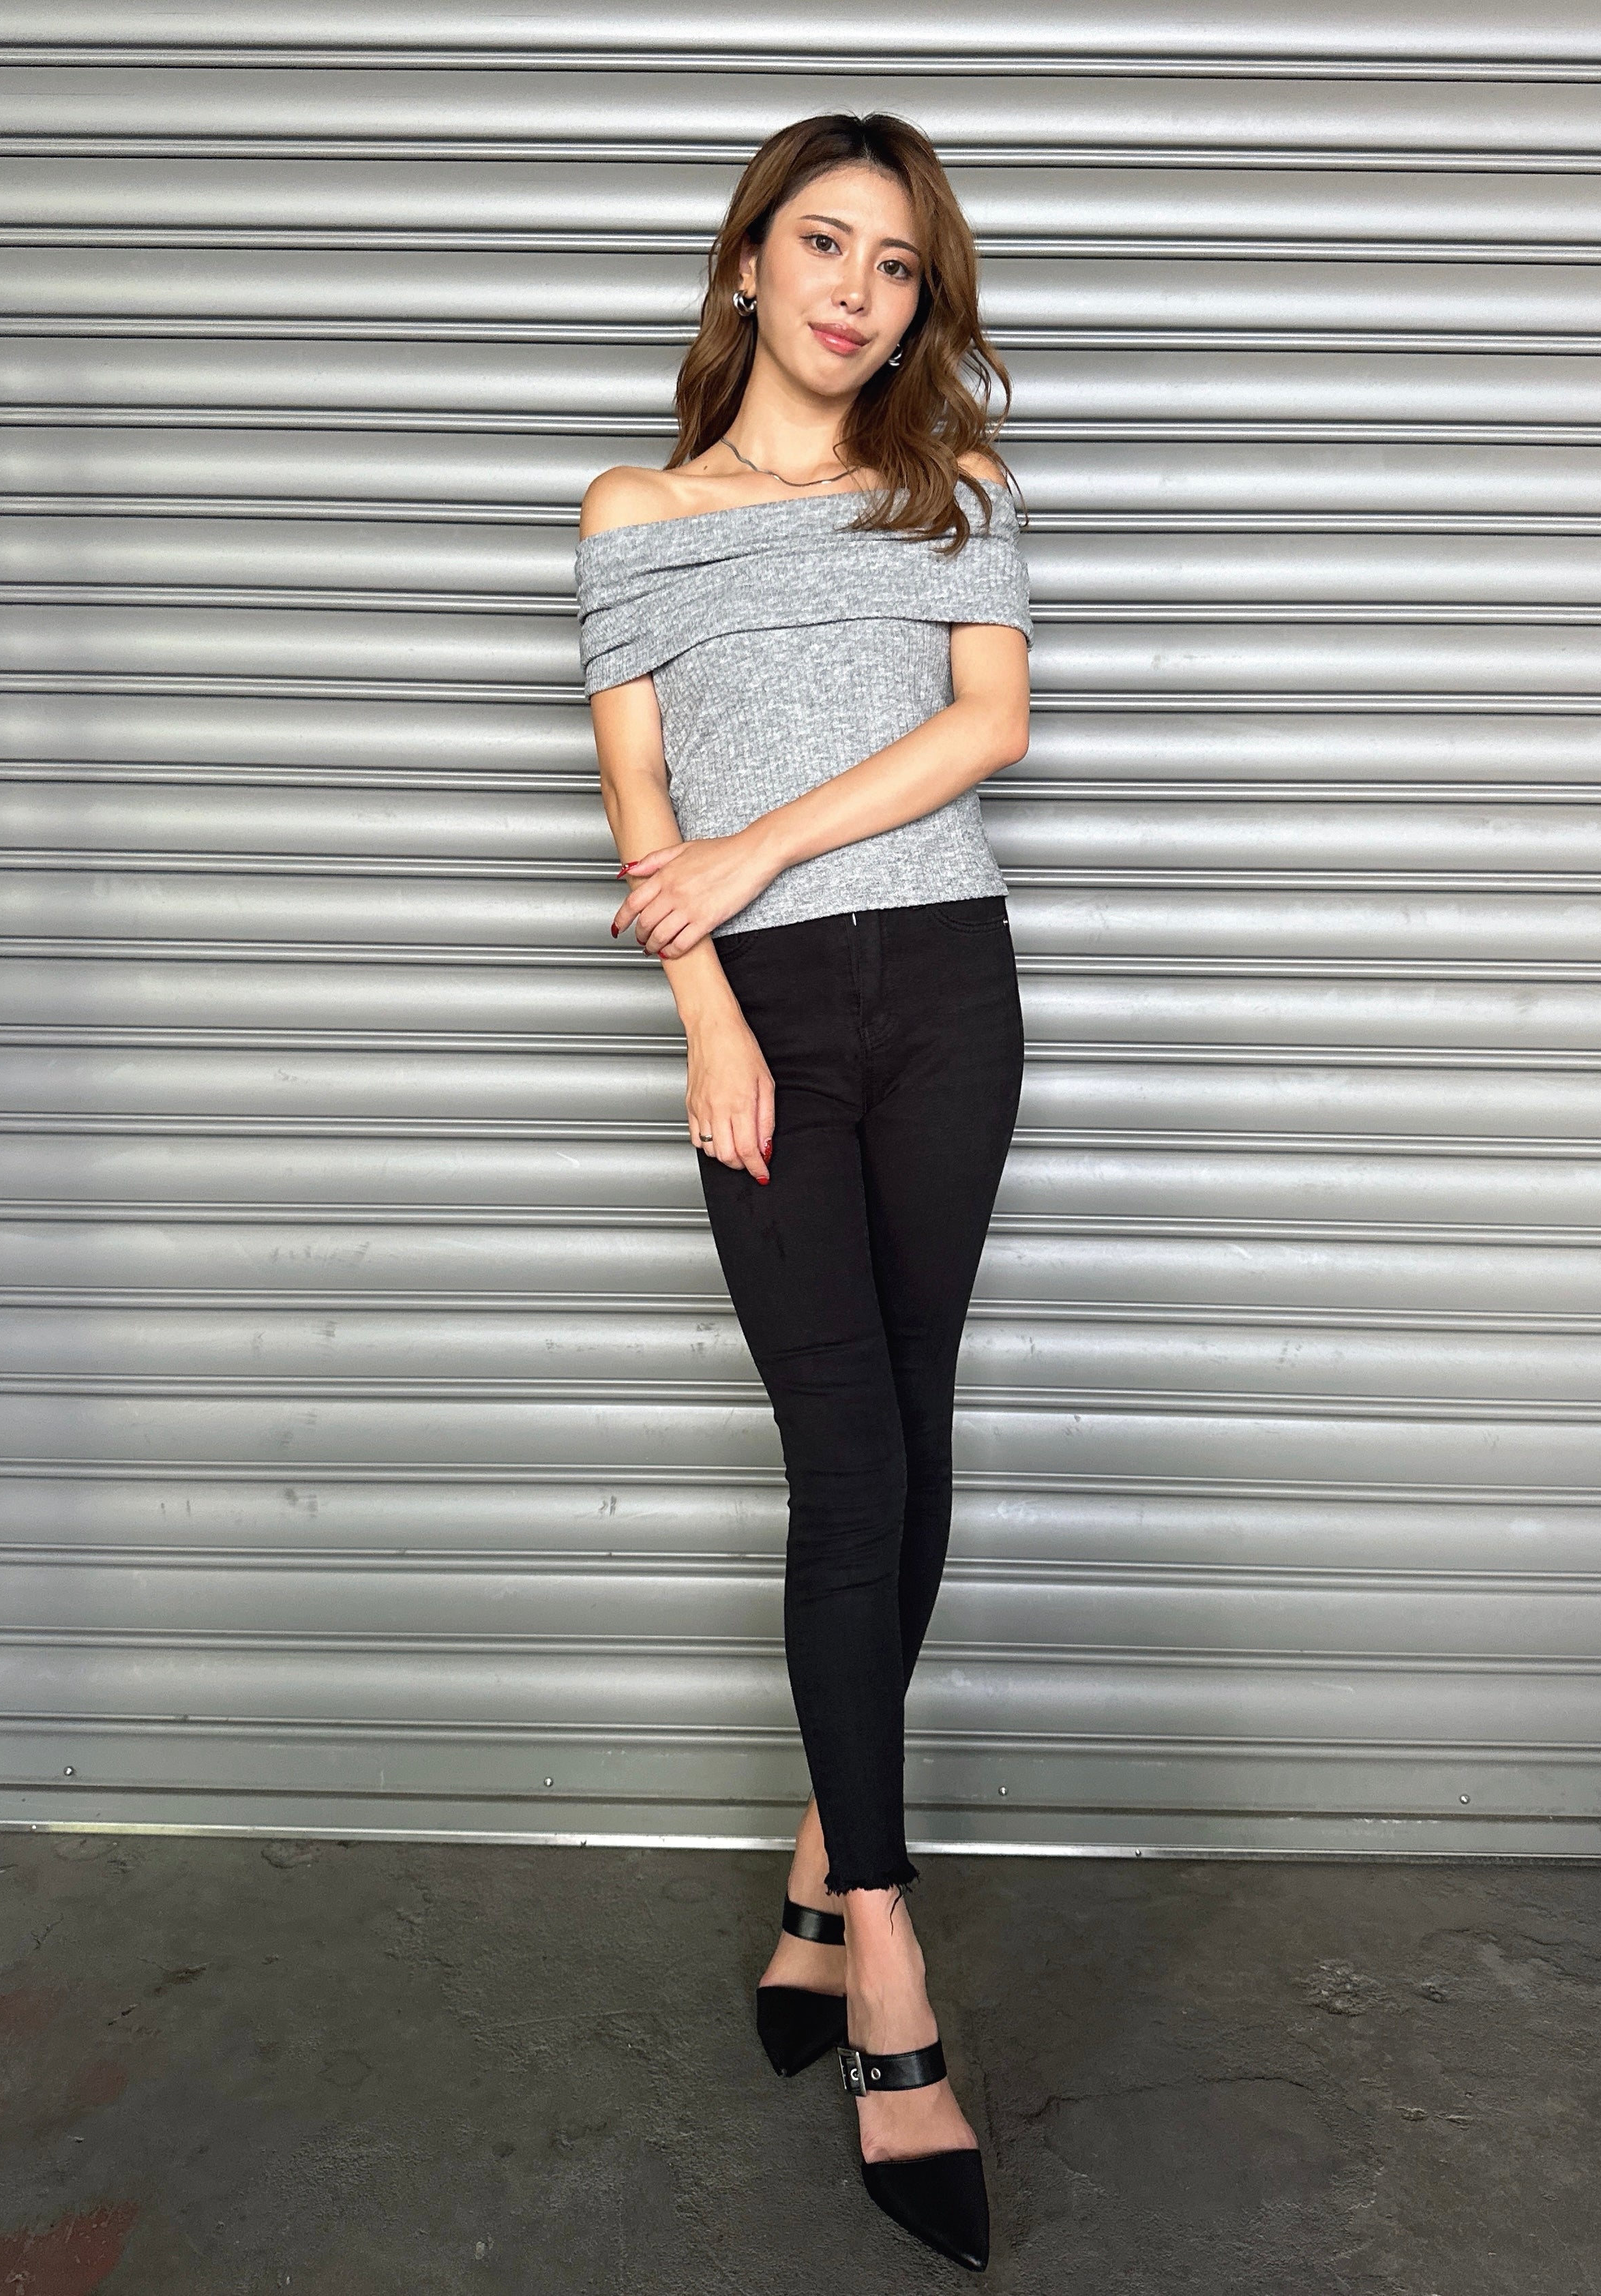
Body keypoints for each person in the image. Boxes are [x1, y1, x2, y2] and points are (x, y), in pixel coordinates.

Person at [573, 110, 1030, 2273]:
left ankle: (817, 1871)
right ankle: (889, 1961)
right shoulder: (638, 513)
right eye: (824, 243)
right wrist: (710, 1017)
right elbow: (638, 801)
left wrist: (758, 851)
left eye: (898, 262)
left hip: (946, 988)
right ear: (747, 262)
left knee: (910, 1437)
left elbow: (985, 728)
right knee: (846, 1463)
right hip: (761, 1016)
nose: (858, 289)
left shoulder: (951, 492)